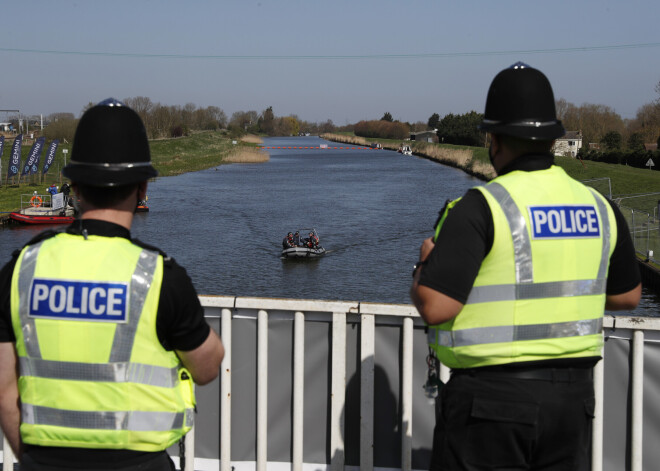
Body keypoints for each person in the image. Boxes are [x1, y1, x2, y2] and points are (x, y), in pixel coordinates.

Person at [410, 63, 641, 471]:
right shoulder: (599, 207)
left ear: (493, 140)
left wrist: (423, 268)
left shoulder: (481, 207)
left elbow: (435, 306)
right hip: (572, 405)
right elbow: (627, 296)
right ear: (552, 139)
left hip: (488, 405)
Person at [0, 98, 225, 471]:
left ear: (74, 187)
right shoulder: (159, 277)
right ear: (142, 188)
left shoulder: (21, 270)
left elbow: (4, 388)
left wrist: (35, 461)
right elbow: (208, 368)